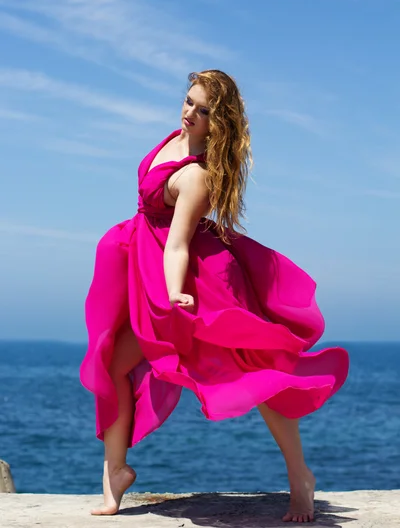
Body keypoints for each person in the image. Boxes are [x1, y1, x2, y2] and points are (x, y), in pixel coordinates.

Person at [80, 69, 349, 523]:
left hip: (194, 281)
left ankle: (300, 476)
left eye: (202, 111)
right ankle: (117, 473)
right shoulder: (175, 138)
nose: (189, 114)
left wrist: (173, 293)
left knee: (258, 372)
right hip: (151, 267)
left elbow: (180, 243)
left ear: (217, 122)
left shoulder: (197, 177)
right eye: (188, 101)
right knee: (113, 363)